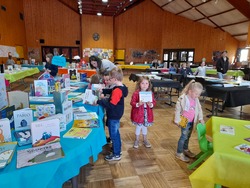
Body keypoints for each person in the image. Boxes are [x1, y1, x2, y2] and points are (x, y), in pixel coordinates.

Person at [97, 67, 128, 161]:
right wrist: (104, 91)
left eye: (110, 79)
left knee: (114, 135)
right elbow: (111, 91)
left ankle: (116, 154)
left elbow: (111, 105)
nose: (109, 80)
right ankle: (117, 148)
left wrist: (99, 101)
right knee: (116, 134)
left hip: (114, 115)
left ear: (115, 79)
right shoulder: (120, 87)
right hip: (116, 114)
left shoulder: (117, 90)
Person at [174, 80, 204, 162]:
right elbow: (177, 110)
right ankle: (179, 153)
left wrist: (201, 118)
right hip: (184, 121)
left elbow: (199, 109)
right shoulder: (182, 98)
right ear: (190, 91)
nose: (198, 96)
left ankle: (185, 149)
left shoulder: (196, 99)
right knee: (183, 137)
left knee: (188, 136)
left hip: (192, 121)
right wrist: (177, 120)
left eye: (199, 94)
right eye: (196, 94)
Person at [130, 76, 156, 149]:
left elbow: (154, 102)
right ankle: (137, 140)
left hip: (147, 113)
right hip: (138, 113)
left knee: (145, 126)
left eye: (146, 83)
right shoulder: (136, 93)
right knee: (138, 126)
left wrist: (151, 104)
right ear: (139, 84)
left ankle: (145, 139)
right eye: (142, 83)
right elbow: (132, 102)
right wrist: (138, 104)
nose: (144, 85)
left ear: (149, 84)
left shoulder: (150, 93)